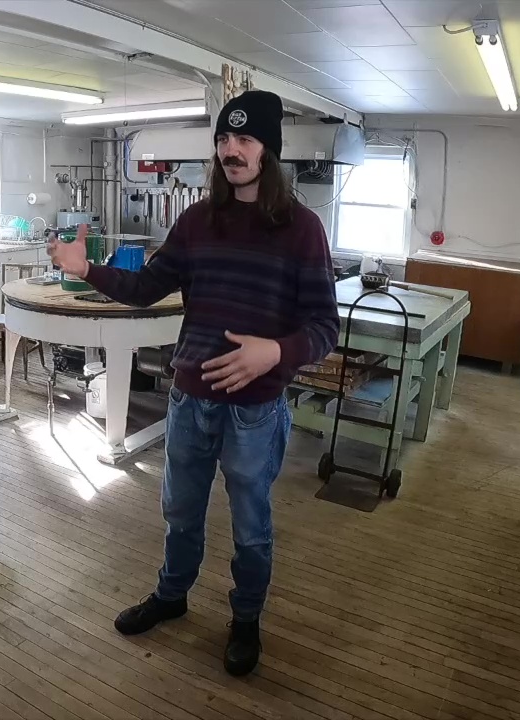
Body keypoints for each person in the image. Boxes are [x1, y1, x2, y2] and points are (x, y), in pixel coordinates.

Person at [47, 90, 339, 676]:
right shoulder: (197, 221)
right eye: (224, 140)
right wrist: (85, 270)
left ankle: (246, 620)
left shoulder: (302, 229)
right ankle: (173, 596)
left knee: (251, 527)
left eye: (245, 140)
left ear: (269, 151)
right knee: (180, 510)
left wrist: (274, 353)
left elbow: (325, 326)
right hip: (190, 401)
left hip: (254, 410)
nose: (232, 150)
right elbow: (145, 288)